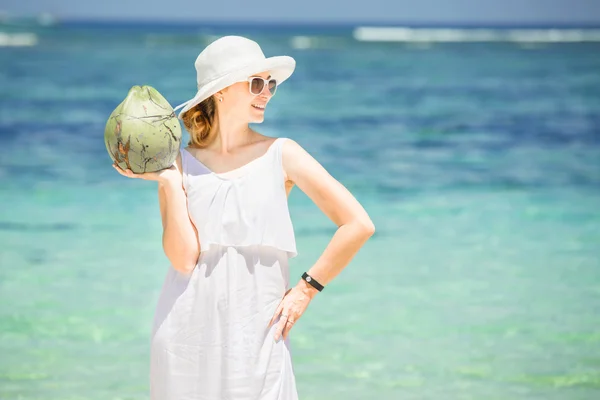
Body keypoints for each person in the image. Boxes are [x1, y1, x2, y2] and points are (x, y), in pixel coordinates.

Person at [112, 35, 375, 400]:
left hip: (259, 336)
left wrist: (305, 290)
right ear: (220, 92)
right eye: (255, 83)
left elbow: (358, 224)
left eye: (270, 84)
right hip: (184, 336)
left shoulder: (283, 154)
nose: (266, 91)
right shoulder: (179, 164)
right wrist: (171, 183)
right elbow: (183, 259)